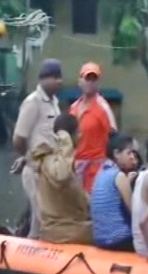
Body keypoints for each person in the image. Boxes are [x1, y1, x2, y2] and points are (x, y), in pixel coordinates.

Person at [11, 58, 63, 239]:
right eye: (55, 77)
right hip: (34, 170)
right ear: (43, 79)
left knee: (41, 217)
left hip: (49, 171)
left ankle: (30, 245)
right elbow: (19, 137)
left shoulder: (54, 103)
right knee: (41, 216)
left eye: (59, 77)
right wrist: (28, 157)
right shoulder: (32, 102)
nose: (59, 81)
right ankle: (31, 250)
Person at [31, 114, 93, 244]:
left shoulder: (60, 161)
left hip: (68, 229)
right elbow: (61, 177)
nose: (81, 136)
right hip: (65, 233)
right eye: (78, 132)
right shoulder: (53, 162)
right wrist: (66, 146)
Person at [69, 62, 118, 194]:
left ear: (98, 83)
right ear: (80, 81)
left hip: (96, 170)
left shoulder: (103, 107)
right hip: (76, 168)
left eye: (94, 79)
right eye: (87, 78)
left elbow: (114, 137)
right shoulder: (73, 108)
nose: (90, 82)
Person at [91, 132, 137, 251]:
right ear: (116, 153)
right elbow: (134, 212)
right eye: (129, 152)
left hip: (100, 239)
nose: (132, 157)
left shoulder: (100, 173)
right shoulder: (119, 176)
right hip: (120, 239)